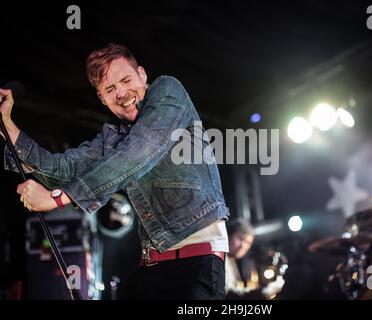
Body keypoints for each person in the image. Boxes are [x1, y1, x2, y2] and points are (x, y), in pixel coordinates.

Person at [0, 43, 230, 300]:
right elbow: (65, 168)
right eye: (110, 89)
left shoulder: (168, 91)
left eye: (125, 80)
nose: (121, 92)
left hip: (196, 259)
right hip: (152, 262)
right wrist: (9, 130)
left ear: (142, 74)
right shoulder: (113, 134)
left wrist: (57, 198)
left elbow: (140, 151)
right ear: (102, 98)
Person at [225, 218, 284, 299]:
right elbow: (228, 293)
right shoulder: (222, 259)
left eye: (247, 243)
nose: (243, 246)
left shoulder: (231, 260)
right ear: (229, 235)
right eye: (240, 238)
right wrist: (262, 292)